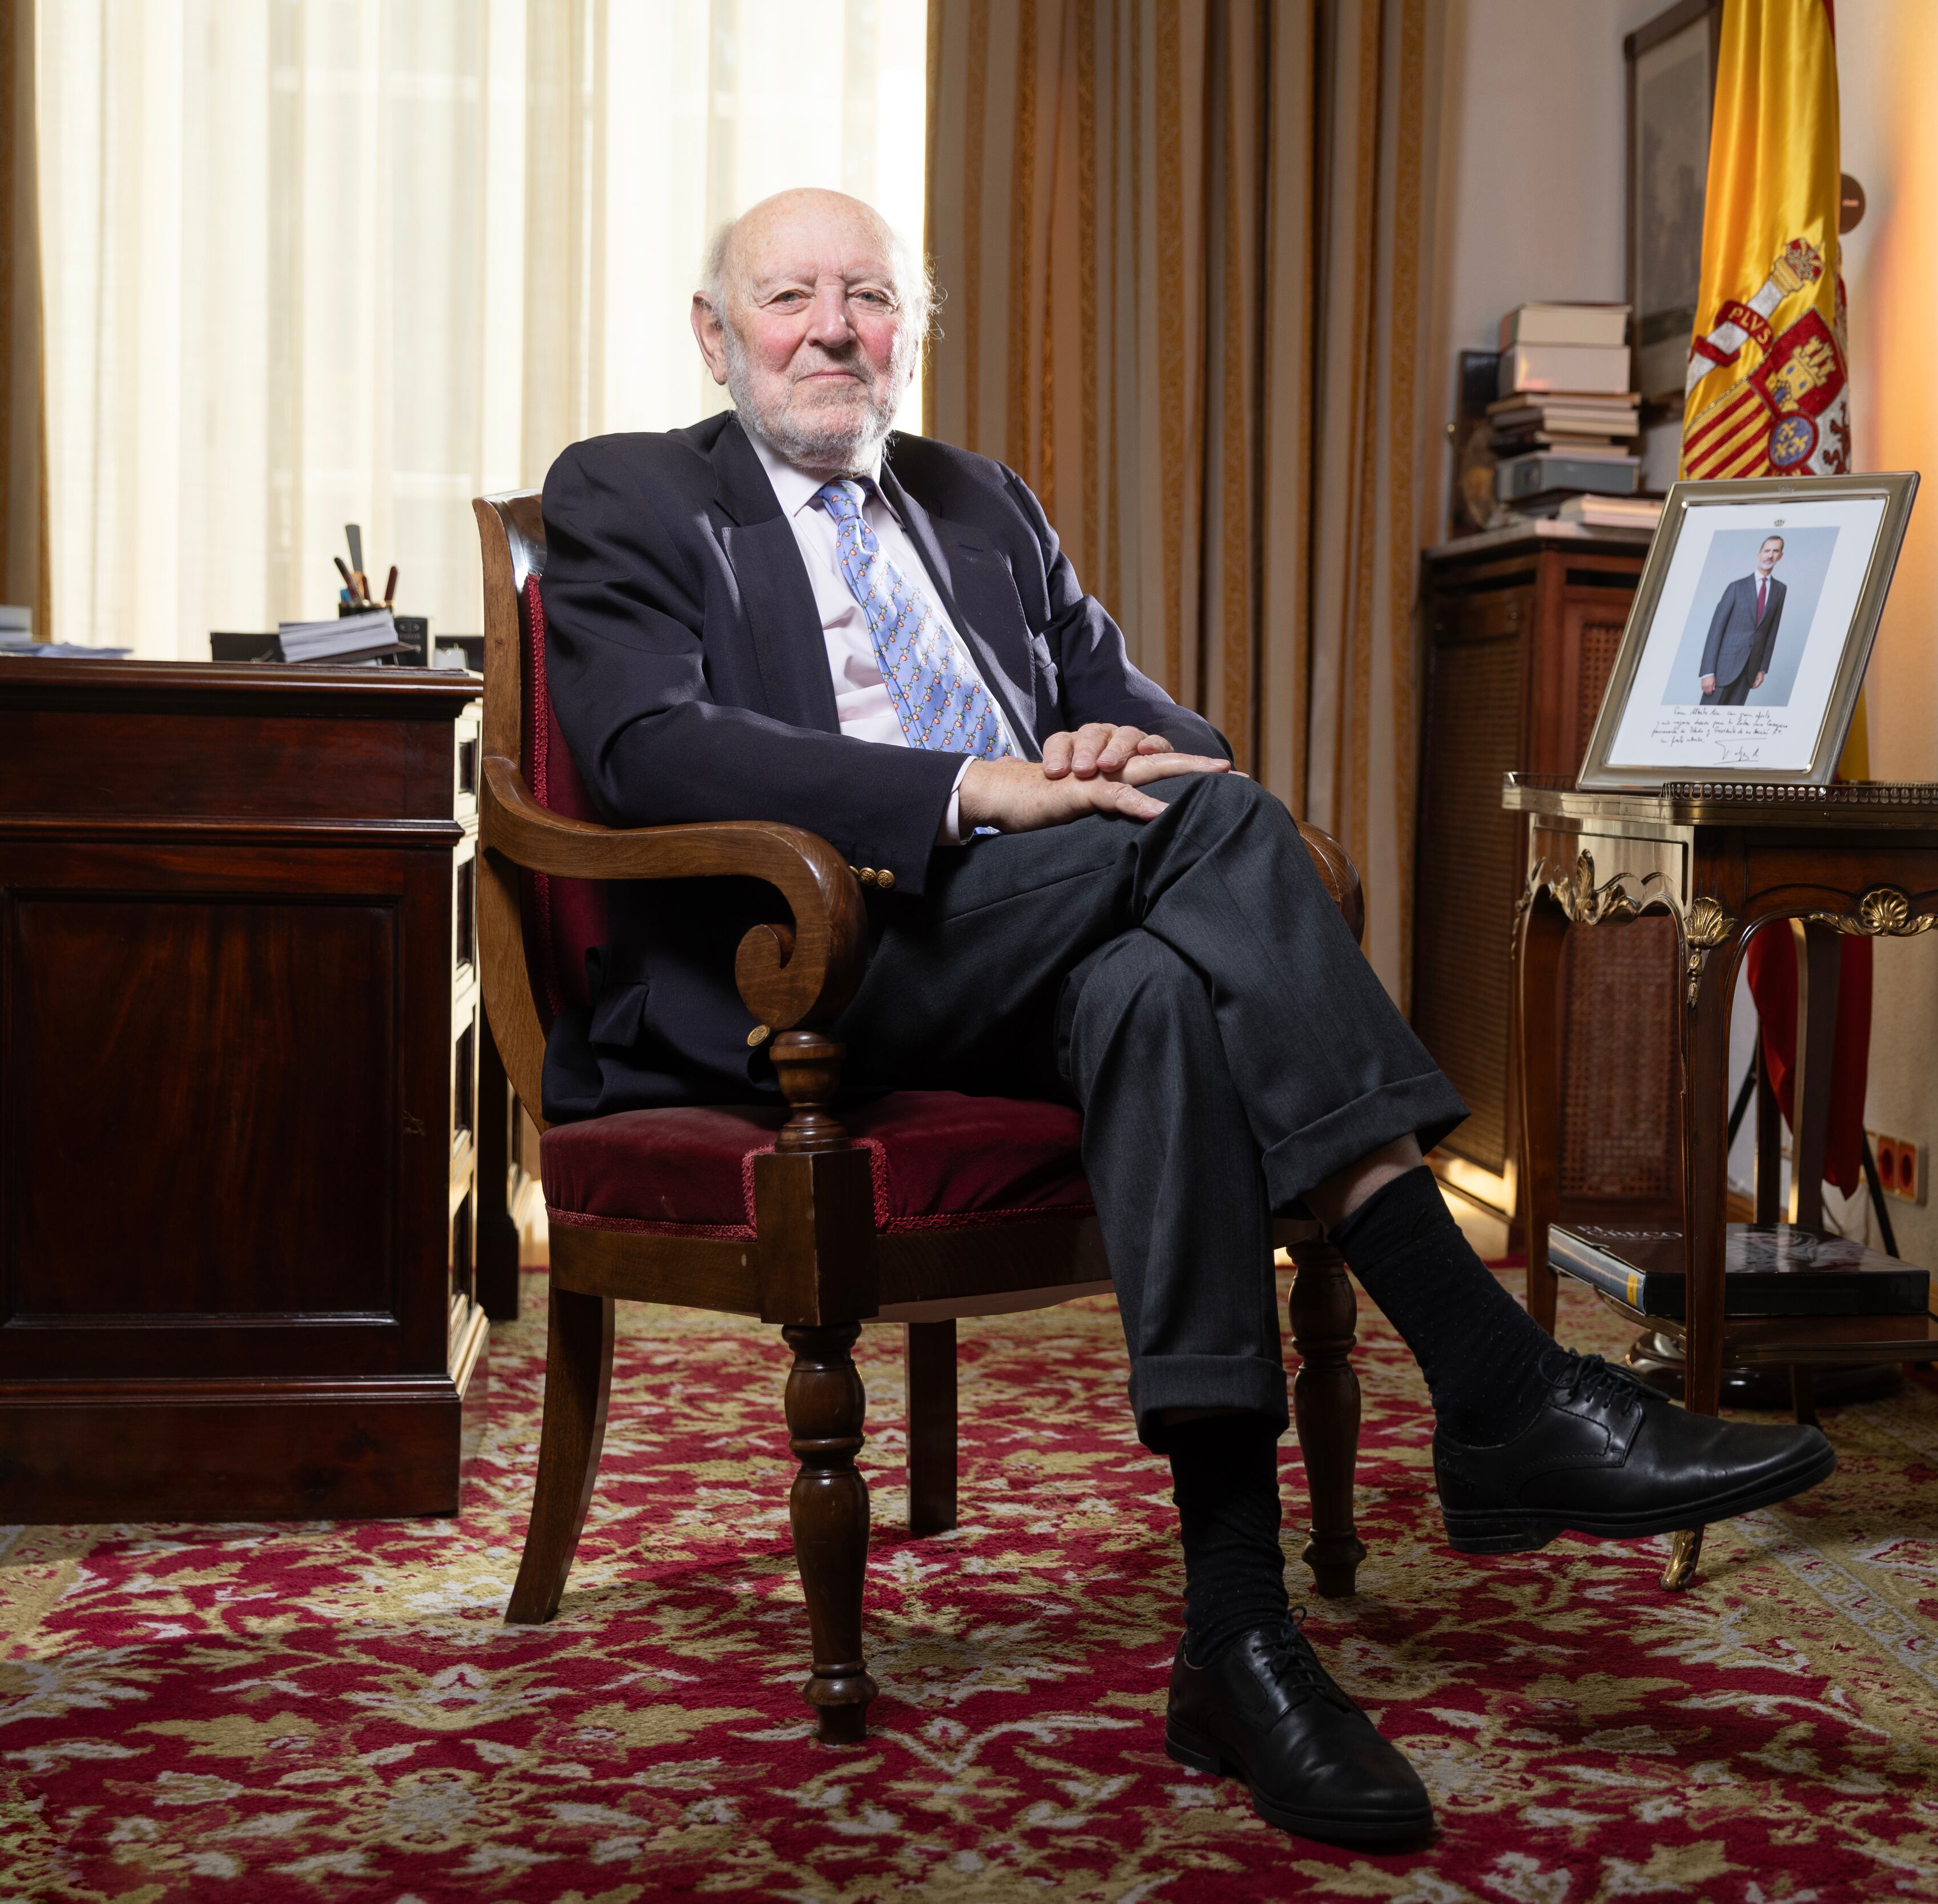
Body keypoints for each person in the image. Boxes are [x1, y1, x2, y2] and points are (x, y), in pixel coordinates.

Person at [537, 188, 1835, 1849]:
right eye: (788, 296)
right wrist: (978, 784)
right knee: (1216, 845)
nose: (833, 328)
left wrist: (1104, 760)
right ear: (716, 334)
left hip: (1041, 925)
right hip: (813, 957)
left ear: (905, 332)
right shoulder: (634, 490)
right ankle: (1495, 1378)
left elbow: (1164, 722)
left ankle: (1233, 1632)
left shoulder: (976, 501)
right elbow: (649, 750)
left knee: (1161, 979)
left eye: (868, 296)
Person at [1696, 534, 1788, 705]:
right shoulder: (1736, 588)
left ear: (1780, 556)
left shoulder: (1780, 590)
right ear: (1759, 555)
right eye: (1767, 550)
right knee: (1704, 722)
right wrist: (1708, 672)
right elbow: (1716, 630)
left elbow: (1771, 631)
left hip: (1749, 671)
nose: (1770, 555)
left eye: (1775, 551)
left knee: (1732, 726)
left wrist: (1762, 669)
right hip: (1722, 669)